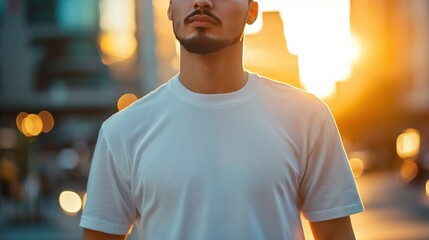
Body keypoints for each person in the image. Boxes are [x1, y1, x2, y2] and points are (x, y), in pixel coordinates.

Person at [80, 0, 364, 239]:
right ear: (169, 8)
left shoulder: (307, 118)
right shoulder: (122, 131)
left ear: (252, 12)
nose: (202, 2)